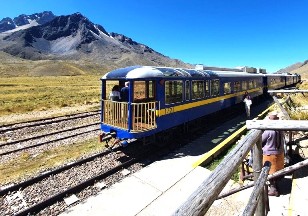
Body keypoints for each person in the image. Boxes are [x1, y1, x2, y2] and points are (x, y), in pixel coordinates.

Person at [262, 111, 285, 196]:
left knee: (270, 173)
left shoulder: (268, 131)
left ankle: (273, 189)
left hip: (269, 155)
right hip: (280, 153)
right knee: (277, 172)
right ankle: (276, 187)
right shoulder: (280, 129)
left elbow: (261, 141)